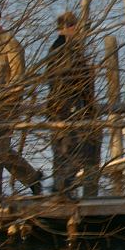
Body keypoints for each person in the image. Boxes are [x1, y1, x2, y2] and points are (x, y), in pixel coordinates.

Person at [46, 11, 99, 198]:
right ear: (71, 28)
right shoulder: (68, 49)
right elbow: (76, 79)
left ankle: (60, 188)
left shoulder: (54, 48)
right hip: (68, 107)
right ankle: (65, 188)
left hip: (56, 105)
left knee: (60, 150)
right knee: (76, 149)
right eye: (76, 28)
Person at [0, 2, 42, 199]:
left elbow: (18, 83)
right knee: (2, 152)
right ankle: (32, 178)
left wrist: (12, 113)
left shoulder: (11, 45)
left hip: (4, 109)